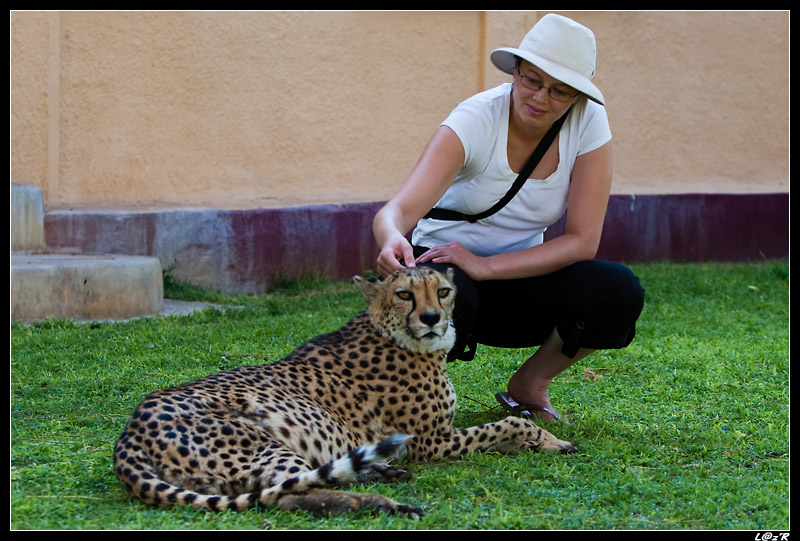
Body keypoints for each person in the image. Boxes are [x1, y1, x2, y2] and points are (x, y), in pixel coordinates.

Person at [372, 14, 645, 423]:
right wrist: (391, 236)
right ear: (516, 70)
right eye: (532, 80)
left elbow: (583, 241)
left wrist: (486, 266)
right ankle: (410, 400)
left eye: (559, 91)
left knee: (617, 288)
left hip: (518, 280)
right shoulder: (476, 118)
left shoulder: (588, 121)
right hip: (446, 273)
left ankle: (530, 385)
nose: (540, 98)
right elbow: (398, 210)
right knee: (446, 287)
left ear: (576, 97)